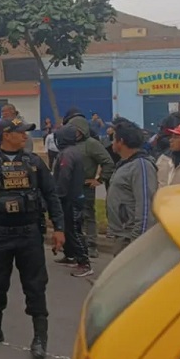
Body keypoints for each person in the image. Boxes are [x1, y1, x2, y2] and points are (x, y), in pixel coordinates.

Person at [0, 117, 65, 359]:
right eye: (20, 132)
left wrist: (59, 228)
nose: (25, 136)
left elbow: (51, 195)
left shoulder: (33, 162)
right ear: (6, 134)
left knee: (35, 286)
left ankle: (40, 338)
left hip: (28, 233)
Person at [64, 108, 115, 259]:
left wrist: (99, 180)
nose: (73, 133)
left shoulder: (91, 144)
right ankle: (73, 248)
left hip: (85, 187)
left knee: (88, 216)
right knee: (69, 218)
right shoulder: (67, 144)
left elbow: (108, 162)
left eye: (75, 130)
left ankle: (92, 245)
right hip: (68, 187)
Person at [106, 118, 158, 256]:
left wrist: (137, 242)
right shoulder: (126, 163)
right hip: (122, 236)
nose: (112, 142)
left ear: (121, 141)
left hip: (131, 239)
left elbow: (146, 205)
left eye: (113, 138)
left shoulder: (141, 165)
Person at [52, 125, 92, 277]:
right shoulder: (71, 152)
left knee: (74, 230)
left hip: (71, 198)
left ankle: (84, 262)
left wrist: (58, 195)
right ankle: (70, 256)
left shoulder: (67, 154)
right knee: (68, 228)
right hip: (72, 197)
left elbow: (64, 177)